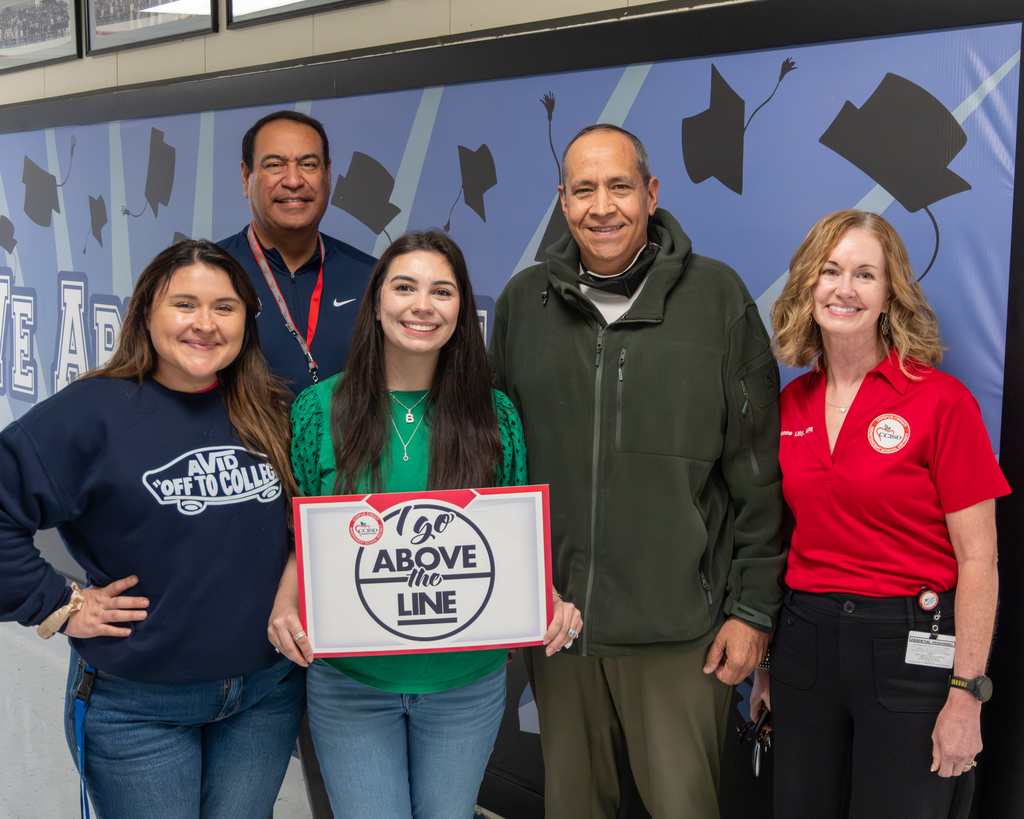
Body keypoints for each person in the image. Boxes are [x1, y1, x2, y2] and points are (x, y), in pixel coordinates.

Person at [491, 124, 784, 818]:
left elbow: (758, 471)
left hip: (681, 630)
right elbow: (496, 461)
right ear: (562, 202)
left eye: (619, 185)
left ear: (650, 193)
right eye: (584, 189)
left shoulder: (717, 298)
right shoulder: (521, 303)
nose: (603, 206)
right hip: (558, 628)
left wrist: (752, 610)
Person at [271, 229, 582, 818]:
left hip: (465, 683)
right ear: (376, 303)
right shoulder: (320, 410)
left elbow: (511, 542)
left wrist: (552, 601)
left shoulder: (496, 417)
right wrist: (287, 604)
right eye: (405, 287)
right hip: (350, 682)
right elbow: (304, 533)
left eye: (442, 291)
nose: (422, 305)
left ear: (461, 309)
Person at [0, 240, 305, 818]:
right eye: (184, 304)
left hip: (265, 697)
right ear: (146, 313)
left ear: (247, 320)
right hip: (138, 706)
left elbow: (308, 530)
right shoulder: (92, 413)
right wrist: (55, 603)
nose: (205, 324)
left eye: (225, 307)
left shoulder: (273, 411)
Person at [754, 209, 1009, 817]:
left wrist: (967, 695)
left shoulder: (942, 402)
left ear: (890, 296)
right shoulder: (791, 402)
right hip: (804, 646)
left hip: (910, 648)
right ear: (807, 285)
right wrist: (769, 666)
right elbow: (779, 536)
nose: (845, 288)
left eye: (865, 274)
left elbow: (980, 559)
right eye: (831, 270)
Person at [218, 110, 375, 391]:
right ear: (246, 177)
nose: (293, 180)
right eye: (275, 165)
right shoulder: (209, 273)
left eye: (308, 164)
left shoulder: (373, 278)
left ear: (327, 174)